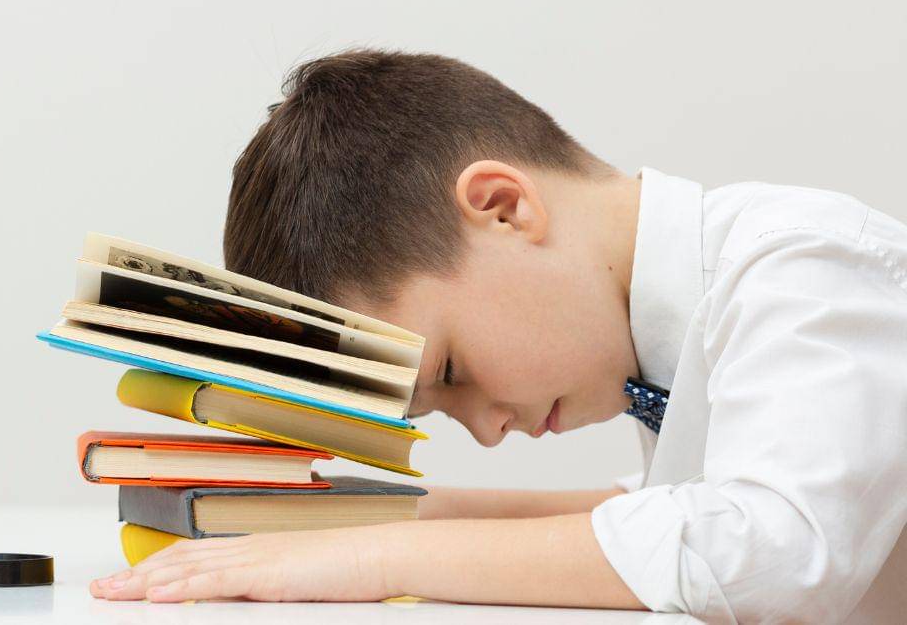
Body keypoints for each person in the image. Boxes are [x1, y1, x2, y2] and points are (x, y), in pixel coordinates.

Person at [90, 50, 907, 623]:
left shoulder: (804, 265)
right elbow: (681, 510)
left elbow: (773, 549)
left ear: (505, 208)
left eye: (449, 368)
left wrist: (372, 563)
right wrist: (407, 514)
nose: (485, 429)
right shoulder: (679, 320)